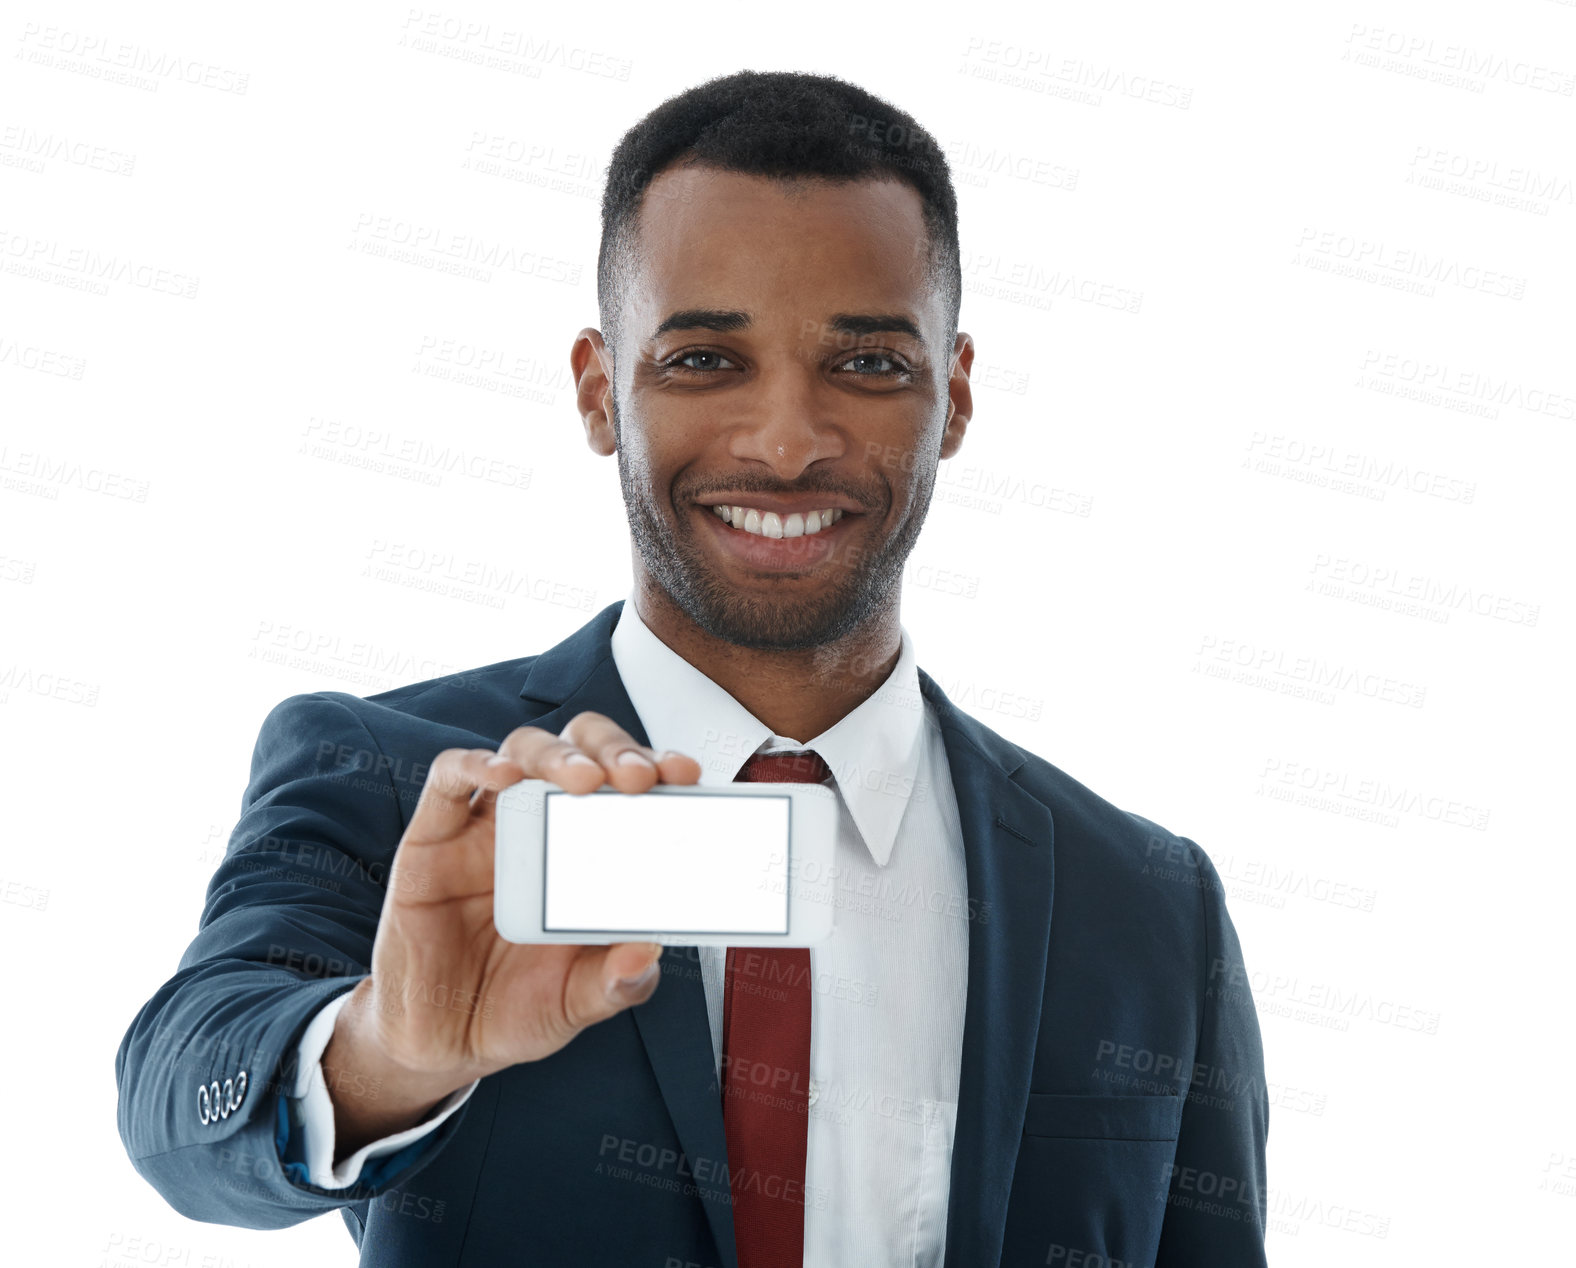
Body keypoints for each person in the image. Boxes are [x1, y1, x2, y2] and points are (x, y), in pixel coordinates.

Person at [116, 69, 1268, 1267]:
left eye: (867, 364)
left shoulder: (1143, 901)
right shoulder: (403, 781)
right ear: (599, 387)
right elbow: (176, 1106)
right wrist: (388, 1047)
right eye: (705, 360)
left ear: (955, 395)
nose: (784, 442)